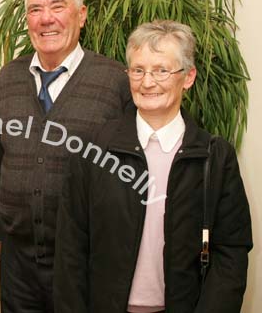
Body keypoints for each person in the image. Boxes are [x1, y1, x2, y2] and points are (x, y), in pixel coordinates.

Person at [54, 20, 252, 313]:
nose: (147, 82)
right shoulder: (93, 149)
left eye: (161, 70)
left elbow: (230, 253)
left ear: (188, 77)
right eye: (138, 70)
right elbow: (71, 248)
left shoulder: (214, 157)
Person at [0, 0, 132, 312]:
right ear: (27, 21)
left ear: (81, 16)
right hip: (17, 265)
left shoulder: (115, 82)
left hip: (84, 262)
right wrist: (0, 231)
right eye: (36, 9)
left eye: (57, 6)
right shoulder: (8, 78)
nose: (46, 18)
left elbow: (127, 175)